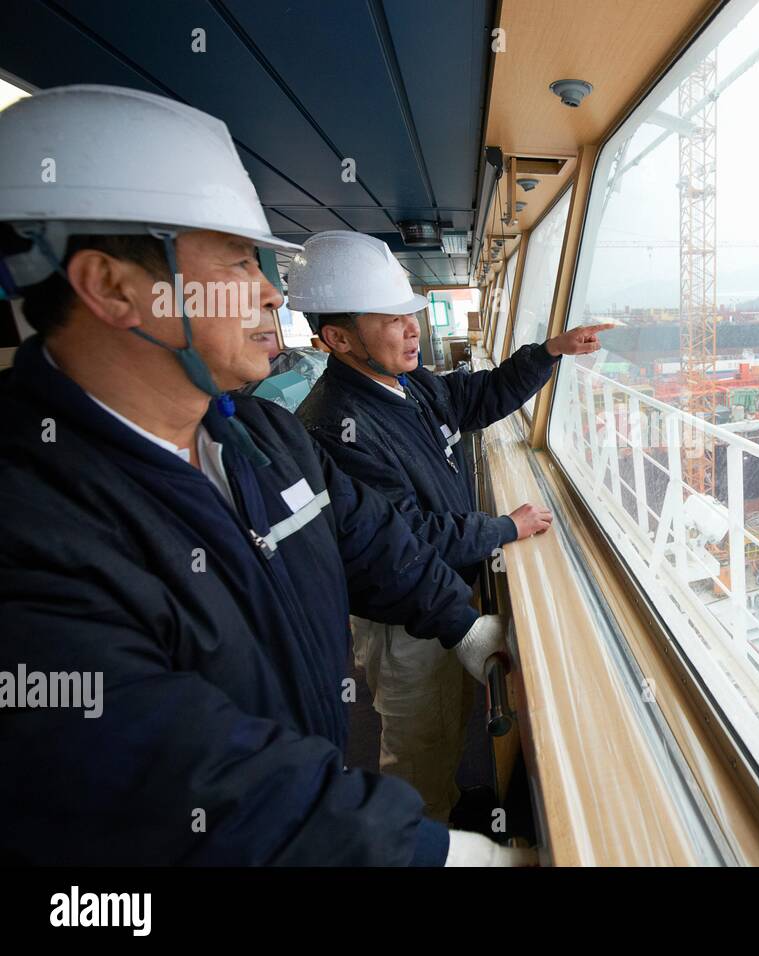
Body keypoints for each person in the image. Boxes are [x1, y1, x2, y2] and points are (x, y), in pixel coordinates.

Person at [0, 84, 528, 866]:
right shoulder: (29, 523)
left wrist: (463, 622)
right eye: (242, 261)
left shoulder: (260, 435)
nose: (273, 295)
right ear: (114, 287)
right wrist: (450, 858)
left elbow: (367, 535)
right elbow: (185, 777)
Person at [291, 230, 612, 818]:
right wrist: (501, 528)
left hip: (442, 591)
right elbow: (402, 537)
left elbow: (479, 395)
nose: (413, 327)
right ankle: (423, 835)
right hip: (405, 618)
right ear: (337, 339)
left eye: (410, 312)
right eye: (391, 318)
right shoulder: (336, 426)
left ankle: (446, 804)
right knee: (418, 743)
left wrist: (550, 351)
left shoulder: (406, 387)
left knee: (446, 724)